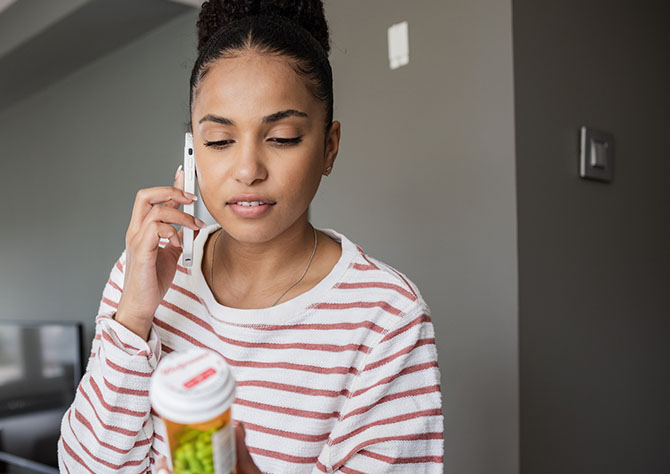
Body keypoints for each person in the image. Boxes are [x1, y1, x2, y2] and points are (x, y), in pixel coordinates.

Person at [57, 0, 444, 472]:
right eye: (219, 141)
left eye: (281, 137)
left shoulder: (387, 317)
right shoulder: (143, 276)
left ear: (329, 146)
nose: (247, 170)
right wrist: (134, 317)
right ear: (193, 150)